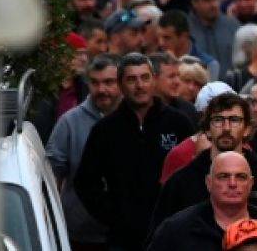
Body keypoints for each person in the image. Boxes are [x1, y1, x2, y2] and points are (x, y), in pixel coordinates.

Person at [75, 53, 195, 250]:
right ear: (121, 85)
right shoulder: (105, 130)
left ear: (154, 80)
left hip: (170, 234)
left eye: (145, 77)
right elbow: (85, 182)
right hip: (122, 240)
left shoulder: (178, 123)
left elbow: (195, 173)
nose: (140, 85)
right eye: (132, 79)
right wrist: (114, 216)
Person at [151, 93, 257, 232]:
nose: (226, 128)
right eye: (218, 120)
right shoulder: (181, 181)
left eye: (234, 120)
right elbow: (160, 237)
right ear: (207, 129)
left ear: (247, 129)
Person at [47, 56, 121, 248]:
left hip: (126, 232)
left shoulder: (134, 119)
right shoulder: (69, 122)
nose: (102, 89)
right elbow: (52, 175)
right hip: (80, 234)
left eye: (109, 82)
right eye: (95, 83)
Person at [146, 152, 257, 250]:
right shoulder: (175, 230)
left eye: (240, 177)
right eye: (223, 176)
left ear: (251, 184)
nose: (232, 183)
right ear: (208, 183)